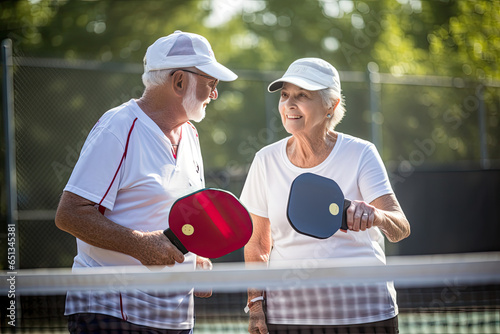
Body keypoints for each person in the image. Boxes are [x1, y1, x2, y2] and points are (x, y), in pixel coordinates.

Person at [55, 30, 237, 333]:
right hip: (110, 313)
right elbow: (70, 214)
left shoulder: (190, 134)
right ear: (179, 81)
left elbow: (186, 212)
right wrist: (141, 245)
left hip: (176, 319)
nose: (214, 94)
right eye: (210, 83)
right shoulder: (117, 127)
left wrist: (199, 256)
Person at [241, 58, 410, 334]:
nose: (289, 104)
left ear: (330, 105)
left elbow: (400, 228)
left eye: (302, 96)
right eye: (285, 96)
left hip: (364, 313)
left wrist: (376, 216)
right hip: (289, 317)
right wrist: (256, 306)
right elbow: (257, 244)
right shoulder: (265, 160)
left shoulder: (361, 153)